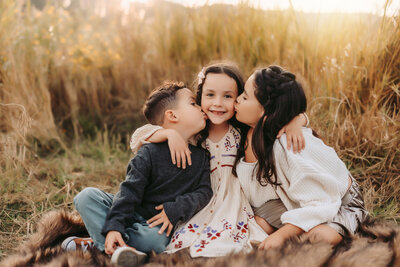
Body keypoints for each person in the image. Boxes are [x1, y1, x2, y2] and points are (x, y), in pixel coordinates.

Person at [130, 62, 308, 257]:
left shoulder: (242, 130)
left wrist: (297, 121)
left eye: (228, 96)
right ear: (200, 96)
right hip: (202, 199)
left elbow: (278, 113)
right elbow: (138, 136)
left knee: (251, 229)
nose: (218, 103)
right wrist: (168, 135)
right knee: (189, 236)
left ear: (239, 99)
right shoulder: (195, 132)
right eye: (210, 95)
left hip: (236, 200)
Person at [62, 81, 213, 266]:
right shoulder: (150, 150)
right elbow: (129, 190)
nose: (200, 107)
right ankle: (115, 241)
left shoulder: (202, 156)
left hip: (155, 223)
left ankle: (101, 246)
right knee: (86, 197)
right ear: (172, 115)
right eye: (193, 103)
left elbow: (204, 192)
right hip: (131, 210)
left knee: (153, 243)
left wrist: (175, 209)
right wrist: (114, 226)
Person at [233, 65, 368, 250]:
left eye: (245, 97)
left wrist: (283, 233)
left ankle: (310, 227)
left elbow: (321, 200)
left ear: (265, 112)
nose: (237, 100)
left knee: (317, 238)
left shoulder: (287, 146)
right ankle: (298, 223)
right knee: (256, 225)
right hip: (287, 198)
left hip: (337, 200)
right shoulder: (242, 127)